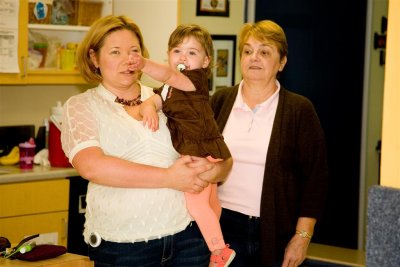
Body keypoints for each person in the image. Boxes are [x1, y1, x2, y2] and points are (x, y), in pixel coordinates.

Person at [61, 15, 231, 267]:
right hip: (124, 245)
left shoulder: (169, 96)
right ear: (94, 58)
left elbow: (222, 157)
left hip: (188, 237)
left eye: (134, 51)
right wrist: (170, 178)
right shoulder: (82, 105)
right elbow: (91, 166)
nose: (127, 59)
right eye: (116, 52)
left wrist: (214, 169)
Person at [210, 20, 329, 267]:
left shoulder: (299, 110)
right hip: (221, 231)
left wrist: (302, 236)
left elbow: (315, 180)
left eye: (264, 52)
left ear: (282, 62)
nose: (254, 57)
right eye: (248, 50)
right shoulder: (219, 101)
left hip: (276, 232)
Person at [126, 24, 235, 267]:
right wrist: (148, 108)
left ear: (206, 62)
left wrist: (143, 63)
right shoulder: (168, 89)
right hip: (207, 152)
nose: (183, 57)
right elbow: (155, 99)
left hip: (201, 152)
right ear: (169, 54)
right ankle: (215, 241)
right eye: (177, 51)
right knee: (210, 203)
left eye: (192, 52)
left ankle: (219, 250)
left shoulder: (194, 81)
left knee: (196, 205)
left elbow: (169, 75)